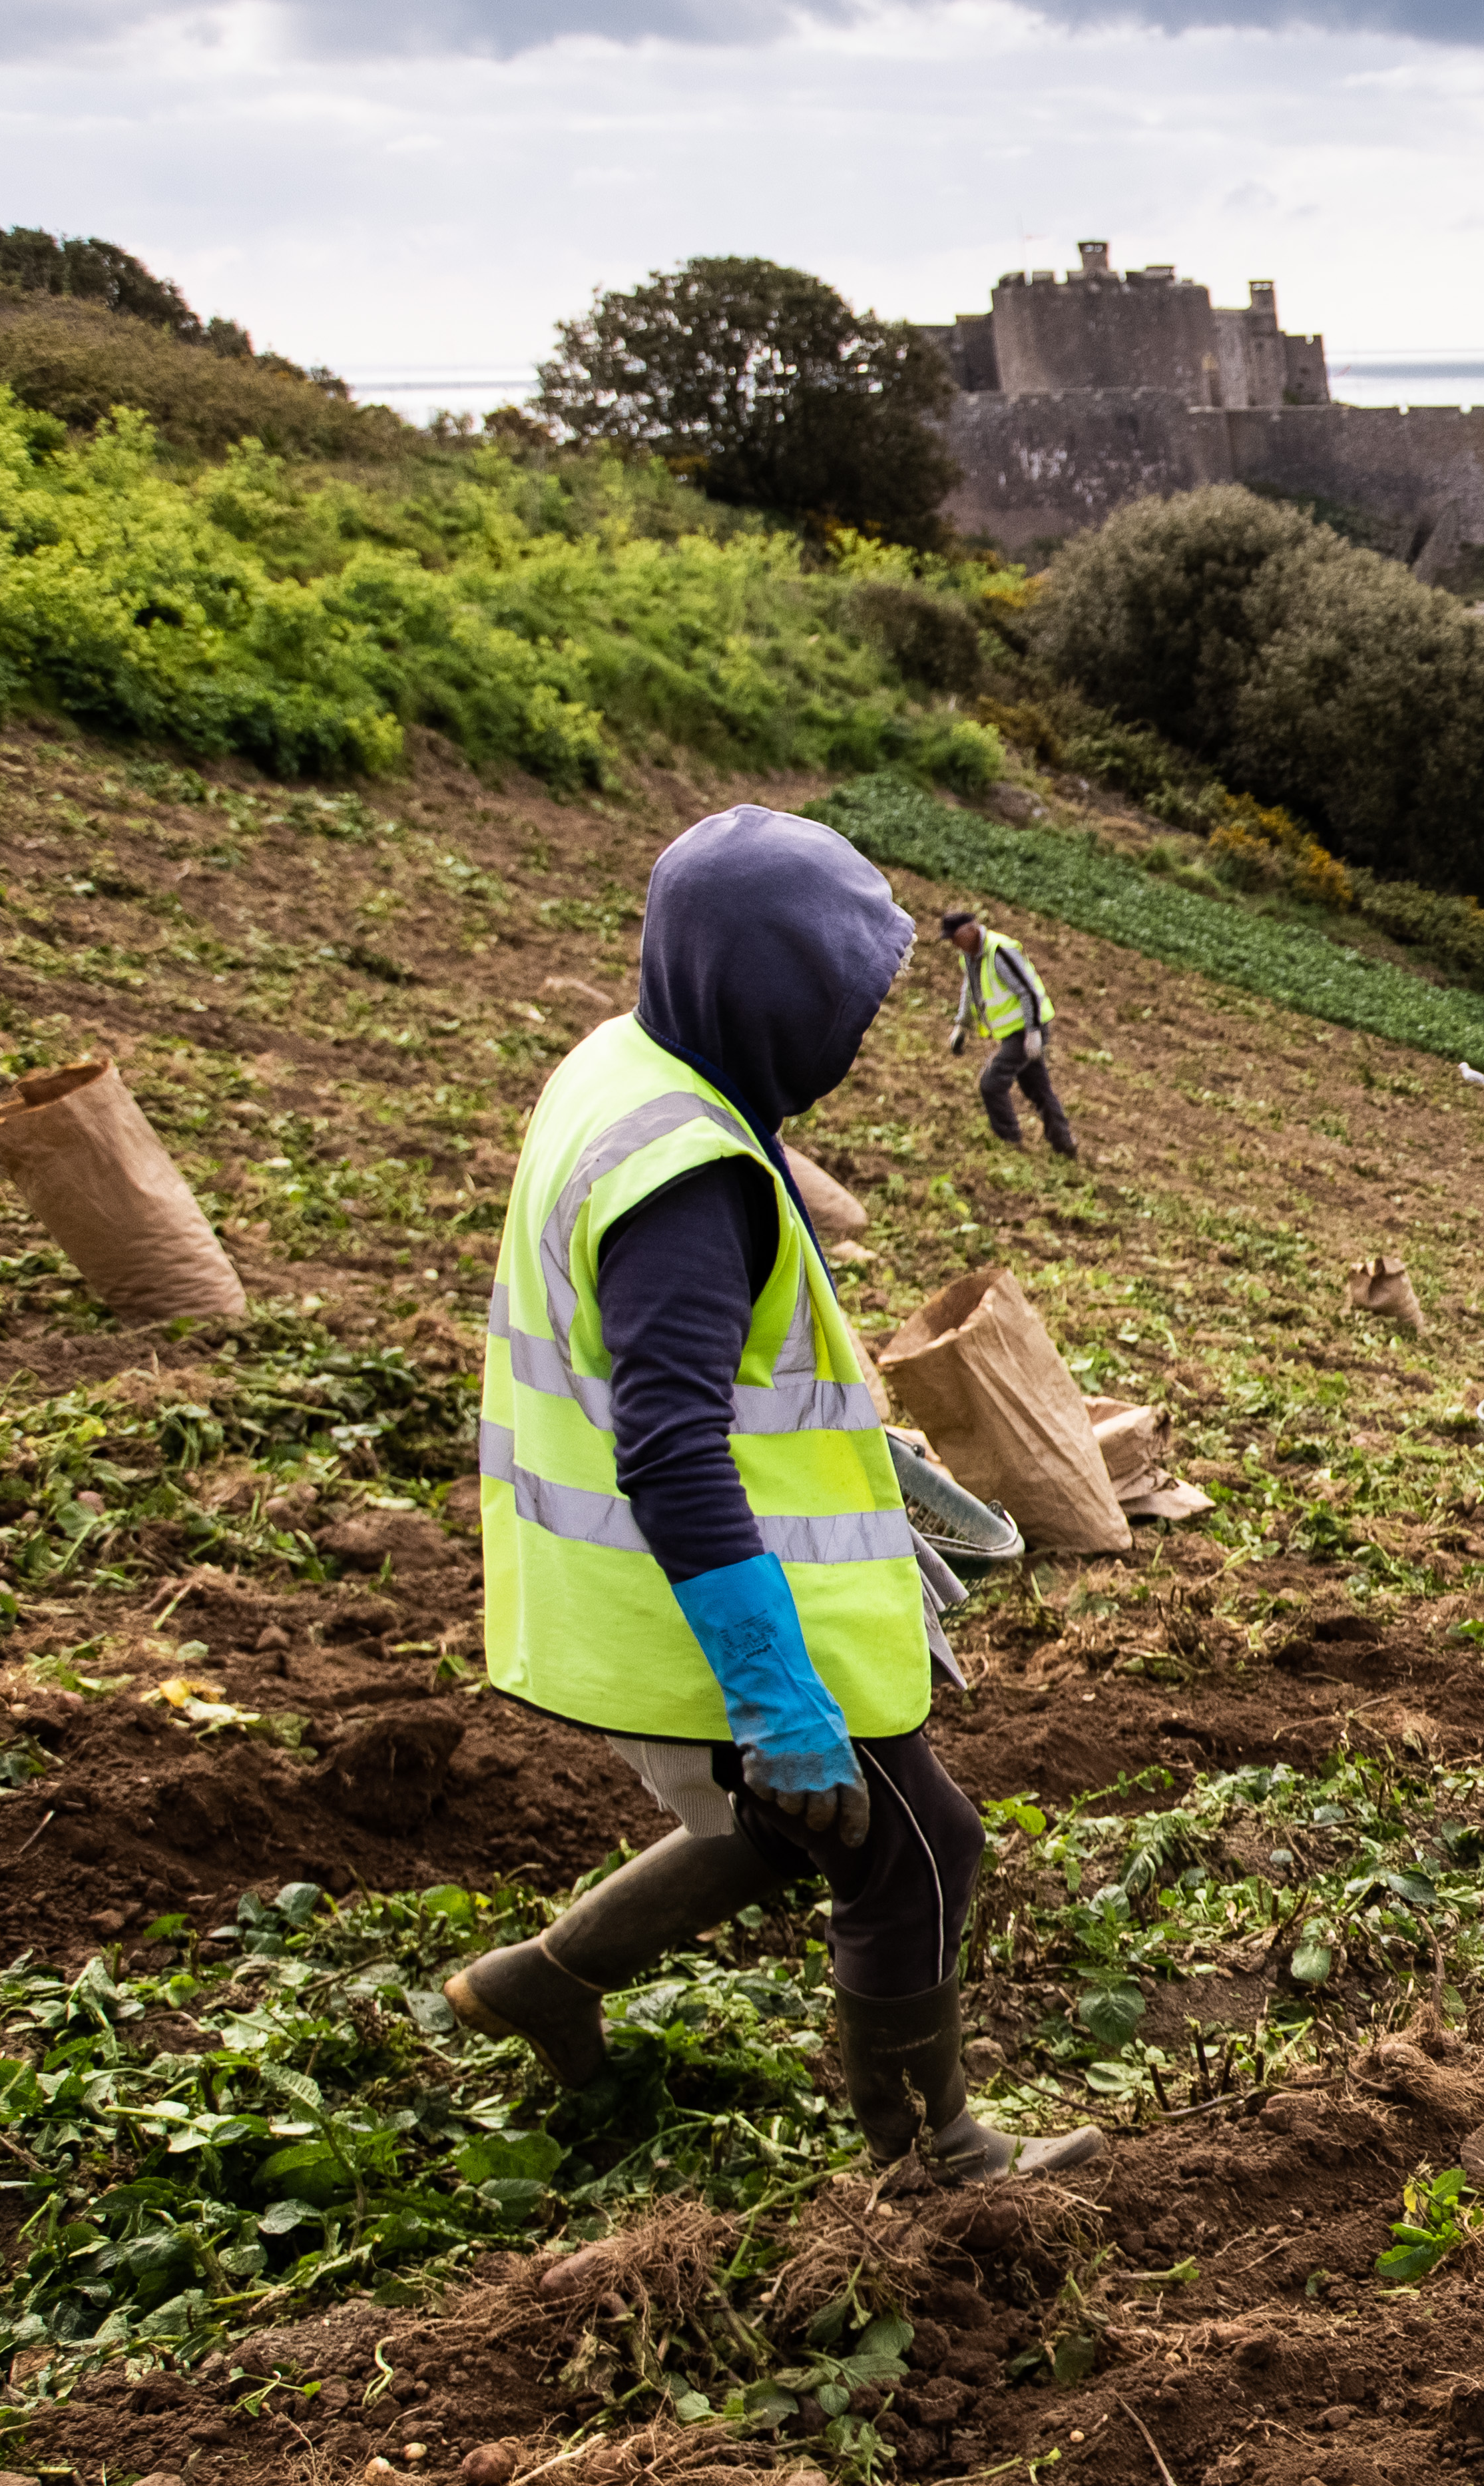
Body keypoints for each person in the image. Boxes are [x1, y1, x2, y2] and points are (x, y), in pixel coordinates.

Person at [445, 808, 1092, 2189]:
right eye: (836, 1011)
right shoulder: (689, 1178)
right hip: (691, 1593)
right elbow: (672, 1446)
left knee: (781, 1829)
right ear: (764, 1000)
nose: (852, 1043)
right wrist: (776, 1696)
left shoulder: (628, 1062)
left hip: (627, 1581)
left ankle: (544, 1980)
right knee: (917, 1846)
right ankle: (935, 2158)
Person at [937, 906, 1073, 1159]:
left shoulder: (999, 952)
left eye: (955, 938)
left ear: (970, 930)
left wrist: (1034, 1033)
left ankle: (1009, 1140)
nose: (954, 945)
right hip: (1014, 1031)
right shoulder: (970, 955)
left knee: (991, 1082)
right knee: (1038, 1088)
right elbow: (971, 991)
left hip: (1026, 1028)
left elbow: (1028, 991)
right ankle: (1064, 1145)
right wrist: (961, 1026)